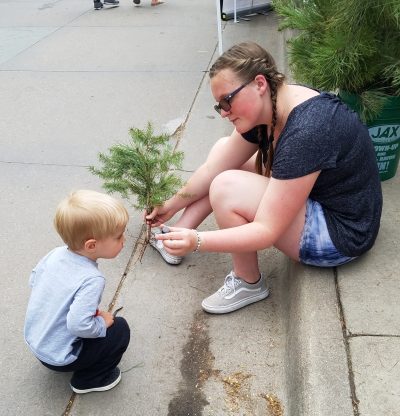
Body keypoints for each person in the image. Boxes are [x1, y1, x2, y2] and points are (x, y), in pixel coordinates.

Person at [146, 41, 383, 315]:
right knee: (224, 153)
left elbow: (266, 230)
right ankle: (173, 238)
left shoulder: (307, 129)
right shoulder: (274, 103)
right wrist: (170, 205)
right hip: (324, 198)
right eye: (218, 106)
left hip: (340, 236)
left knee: (227, 188)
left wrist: (199, 241)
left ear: (259, 84)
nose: (223, 112)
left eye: (226, 101)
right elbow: (212, 169)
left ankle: (248, 282)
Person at [24, 190, 131, 394]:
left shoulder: (55, 254)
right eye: (118, 236)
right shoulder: (92, 279)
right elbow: (79, 324)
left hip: (36, 341)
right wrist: (102, 323)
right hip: (59, 358)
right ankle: (90, 380)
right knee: (119, 329)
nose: (124, 240)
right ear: (91, 245)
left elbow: (34, 281)